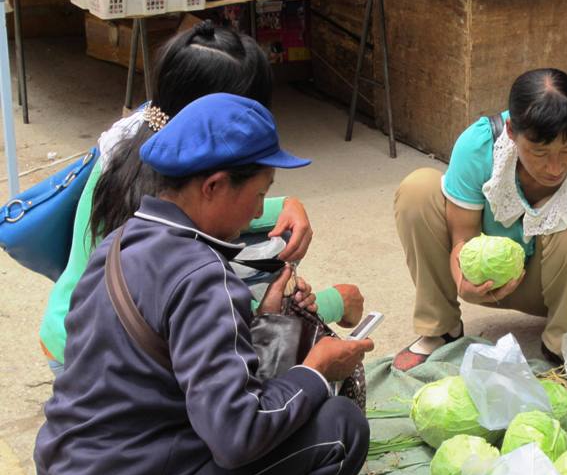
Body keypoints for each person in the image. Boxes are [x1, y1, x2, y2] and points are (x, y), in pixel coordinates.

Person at [35, 93, 372, 475]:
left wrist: (265, 320)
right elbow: (238, 435)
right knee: (338, 426)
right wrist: (315, 372)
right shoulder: (202, 273)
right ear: (212, 186)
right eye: (259, 193)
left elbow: (161, 361)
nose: (259, 211)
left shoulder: (119, 242)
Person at [39, 21, 363, 377]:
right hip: (94, 358)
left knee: (269, 242)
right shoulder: (160, 224)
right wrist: (330, 305)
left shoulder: (149, 137)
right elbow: (218, 316)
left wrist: (288, 204)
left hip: (88, 329)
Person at [393, 68, 567, 371]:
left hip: (557, 290)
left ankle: (560, 344)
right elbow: (462, 239)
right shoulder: (479, 147)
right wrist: (463, 282)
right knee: (418, 190)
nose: (555, 168)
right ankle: (440, 328)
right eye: (540, 152)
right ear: (511, 132)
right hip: (487, 281)